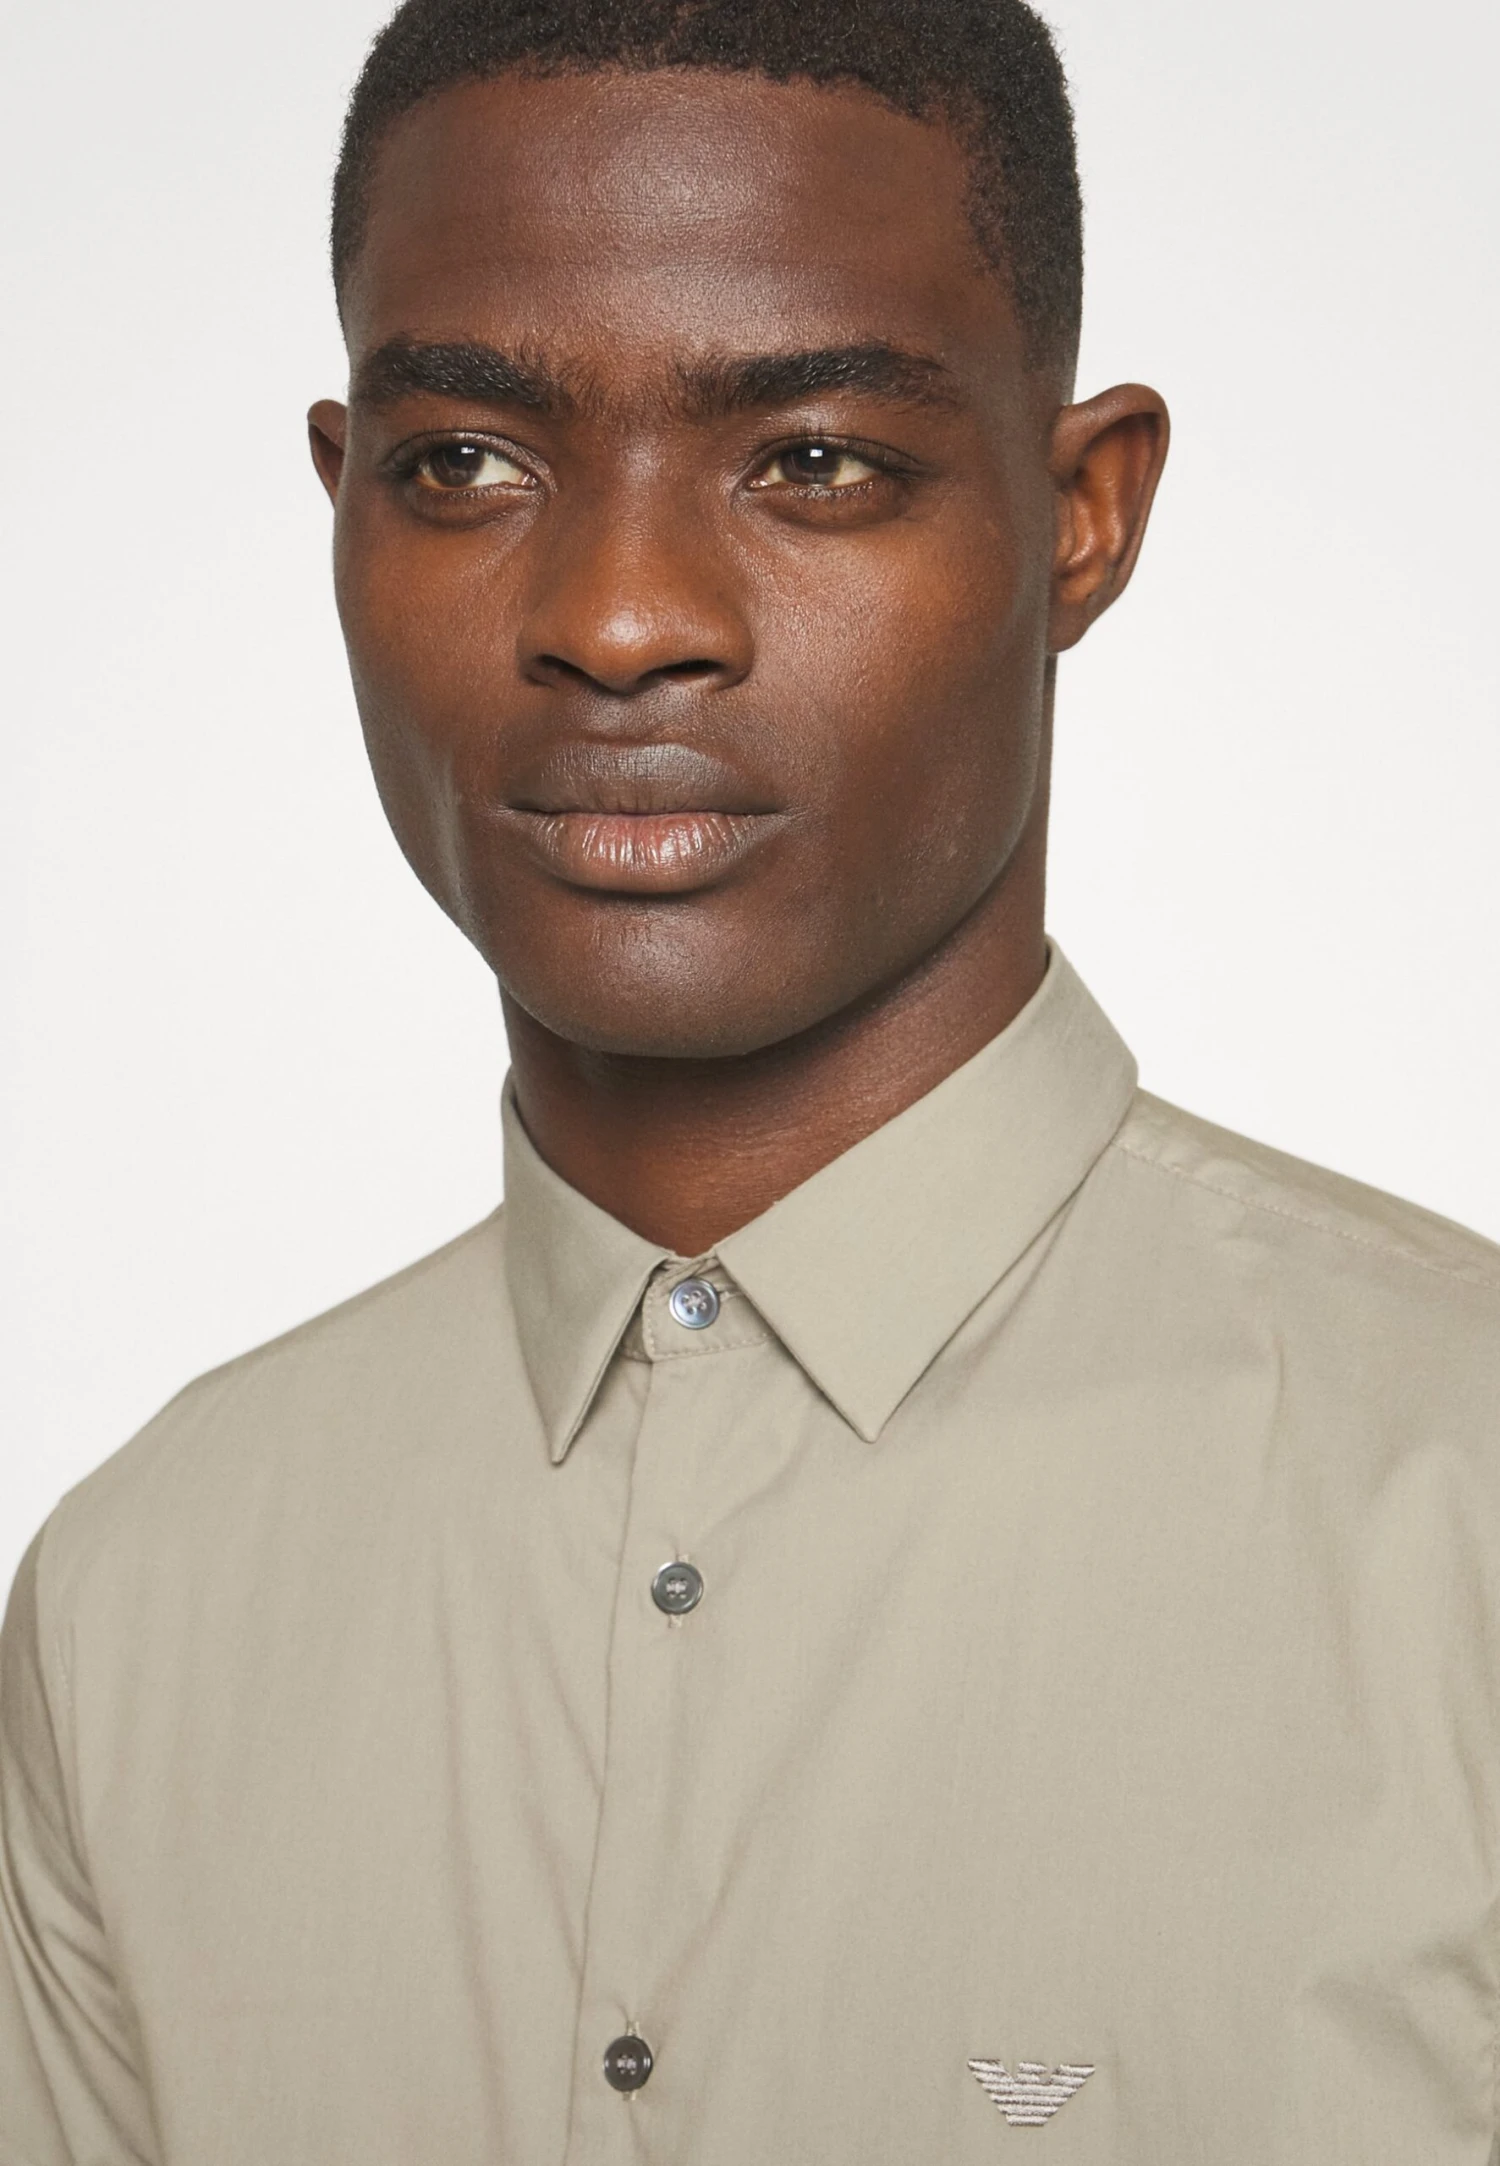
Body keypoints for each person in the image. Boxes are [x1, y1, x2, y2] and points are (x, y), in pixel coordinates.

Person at [2, 0, 1497, 2159]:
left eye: (812, 460)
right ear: (342, 512)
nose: (620, 619)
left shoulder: (1460, 1515)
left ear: (1083, 518)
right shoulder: (138, 1605)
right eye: (467, 464)